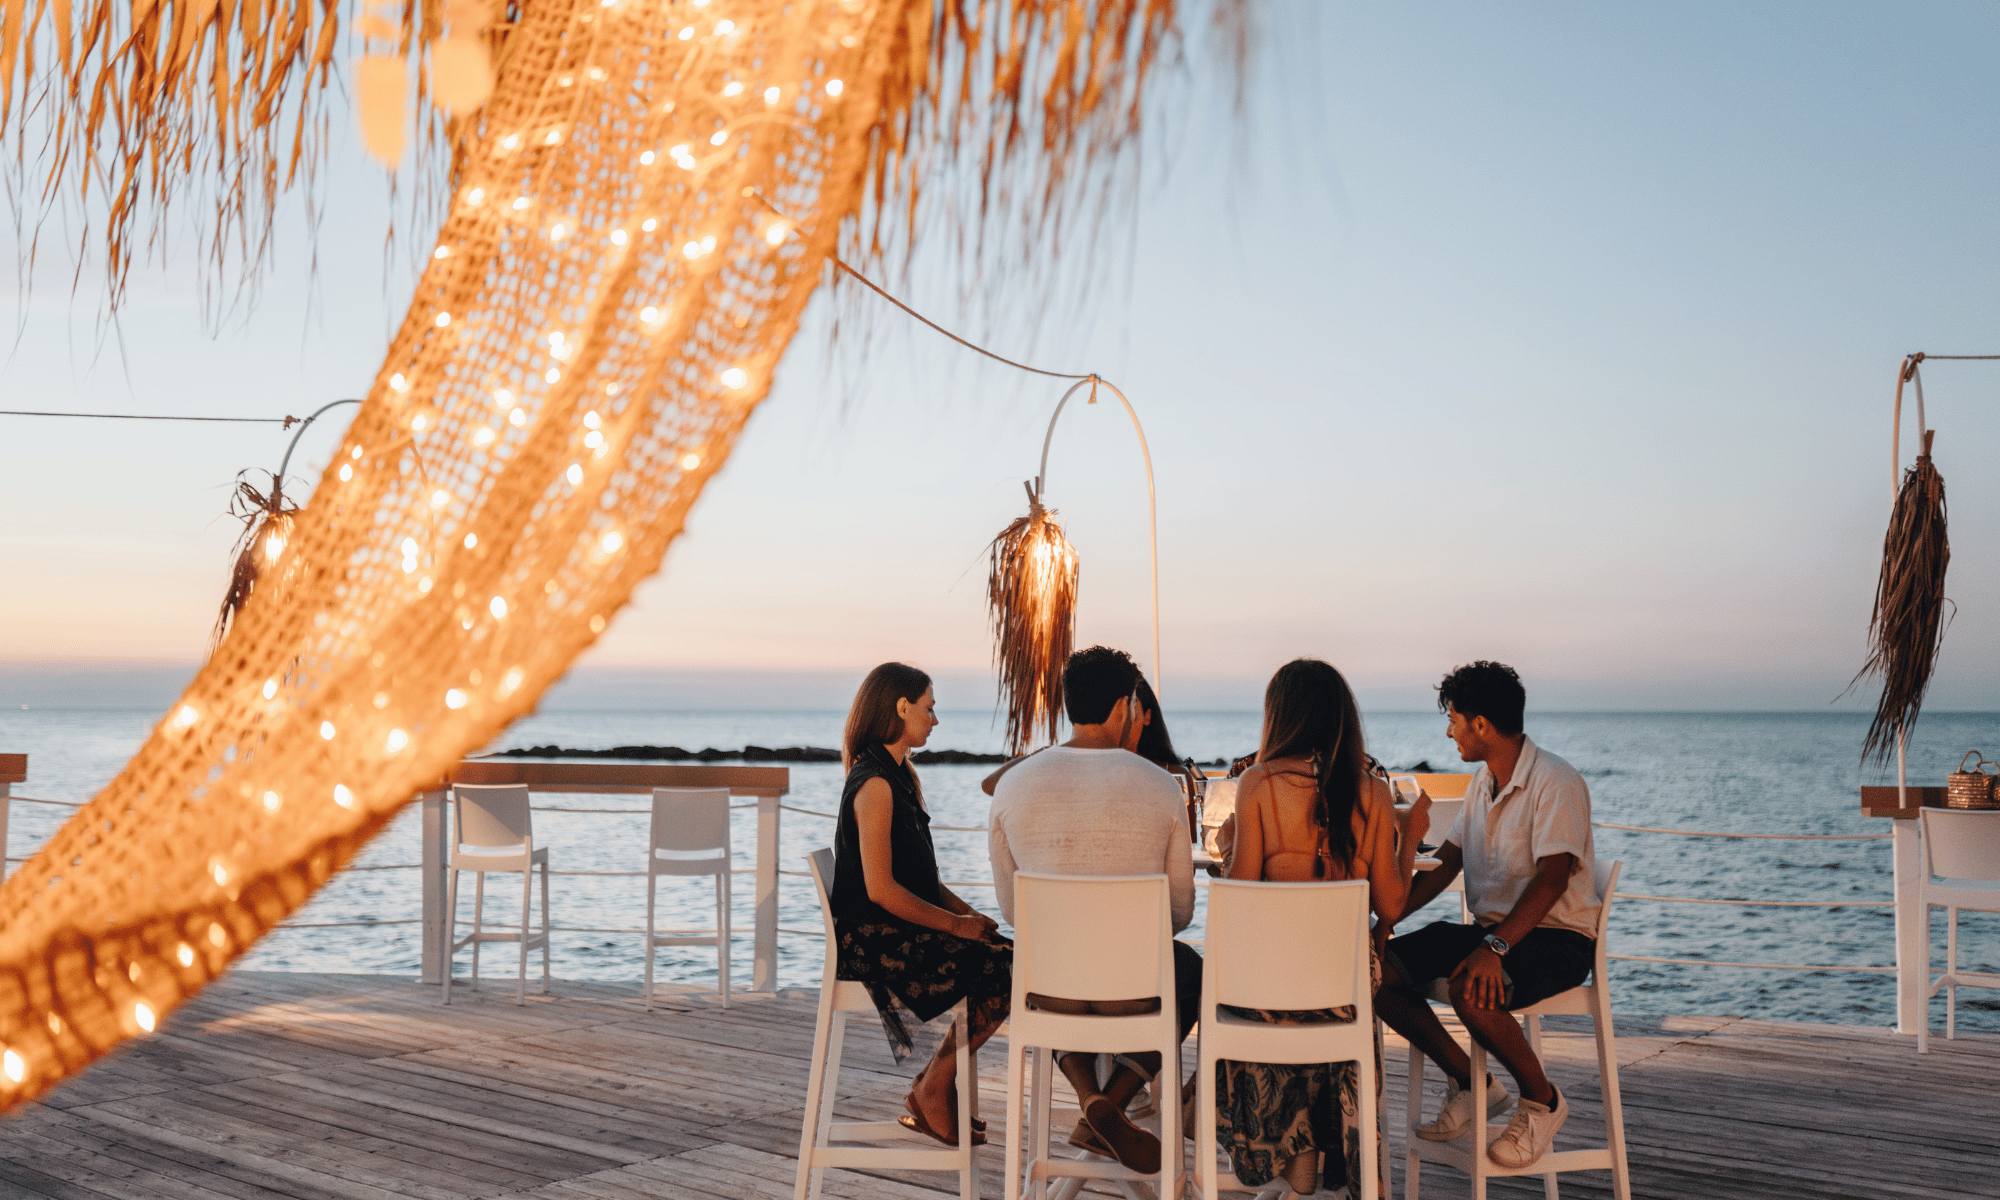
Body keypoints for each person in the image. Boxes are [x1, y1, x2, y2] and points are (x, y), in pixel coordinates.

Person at [1215, 659, 1431, 1197]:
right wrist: (1409, 837)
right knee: (1329, 1000)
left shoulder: (1258, 784)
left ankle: (1296, 1151)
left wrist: (1226, 849)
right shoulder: (1375, 795)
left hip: (1269, 990)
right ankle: (1319, 1152)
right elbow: (1392, 905)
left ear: (1279, 716)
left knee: (1261, 999)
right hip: (1345, 993)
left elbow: (1239, 899)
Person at [1378, 661, 1600, 1171]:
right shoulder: (1483, 781)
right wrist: (1387, 921)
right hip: (1492, 935)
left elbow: (1553, 878)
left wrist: (1494, 949)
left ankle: (1542, 1099)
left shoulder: (1556, 781)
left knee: (1472, 989)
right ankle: (1471, 1082)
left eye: (1453, 719)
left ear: (1480, 724)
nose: (1448, 730)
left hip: (1557, 939)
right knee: (1376, 970)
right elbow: (1446, 865)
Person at [987, 646, 1200, 1176]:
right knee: (1190, 968)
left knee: (1038, 961)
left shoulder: (1012, 785)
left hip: (1049, 992)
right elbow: (1178, 914)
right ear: (1125, 706)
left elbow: (1014, 911)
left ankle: (1089, 1097)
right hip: (1136, 997)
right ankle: (1116, 1097)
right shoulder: (1160, 786)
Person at [831, 663, 1012, 1147]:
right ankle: (934, 1087)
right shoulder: (874, 784)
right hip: (874, 942)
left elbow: (924, 882)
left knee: (1008, 955)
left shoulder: (899, 777)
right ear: (901, 708)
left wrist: (969, 917)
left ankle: (934, 1083)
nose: (935, 720)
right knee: (1006, 971)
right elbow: (881, 890)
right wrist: (954, 925)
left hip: (896, 931)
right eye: (929, 709)